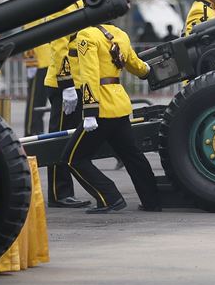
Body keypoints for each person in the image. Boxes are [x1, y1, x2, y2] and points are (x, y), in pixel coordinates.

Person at [64, 21, 160, 213]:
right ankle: (152, 200)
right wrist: (147, 70)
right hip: (120, 103)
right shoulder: (120, 34)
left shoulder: (86, 35)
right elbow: (135, 64)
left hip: (101, 107)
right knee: (132, 156)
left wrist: (89, 111)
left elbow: (90, 75)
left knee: (72, 158)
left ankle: (109, 197)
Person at [42, 0, 91, 209]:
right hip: (65, 83)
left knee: (70, 137)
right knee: (59, 138)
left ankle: (65, 190)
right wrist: (67, 84)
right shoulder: (60, 2)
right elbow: (59, 47)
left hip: (76, 80)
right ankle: (58, 193)